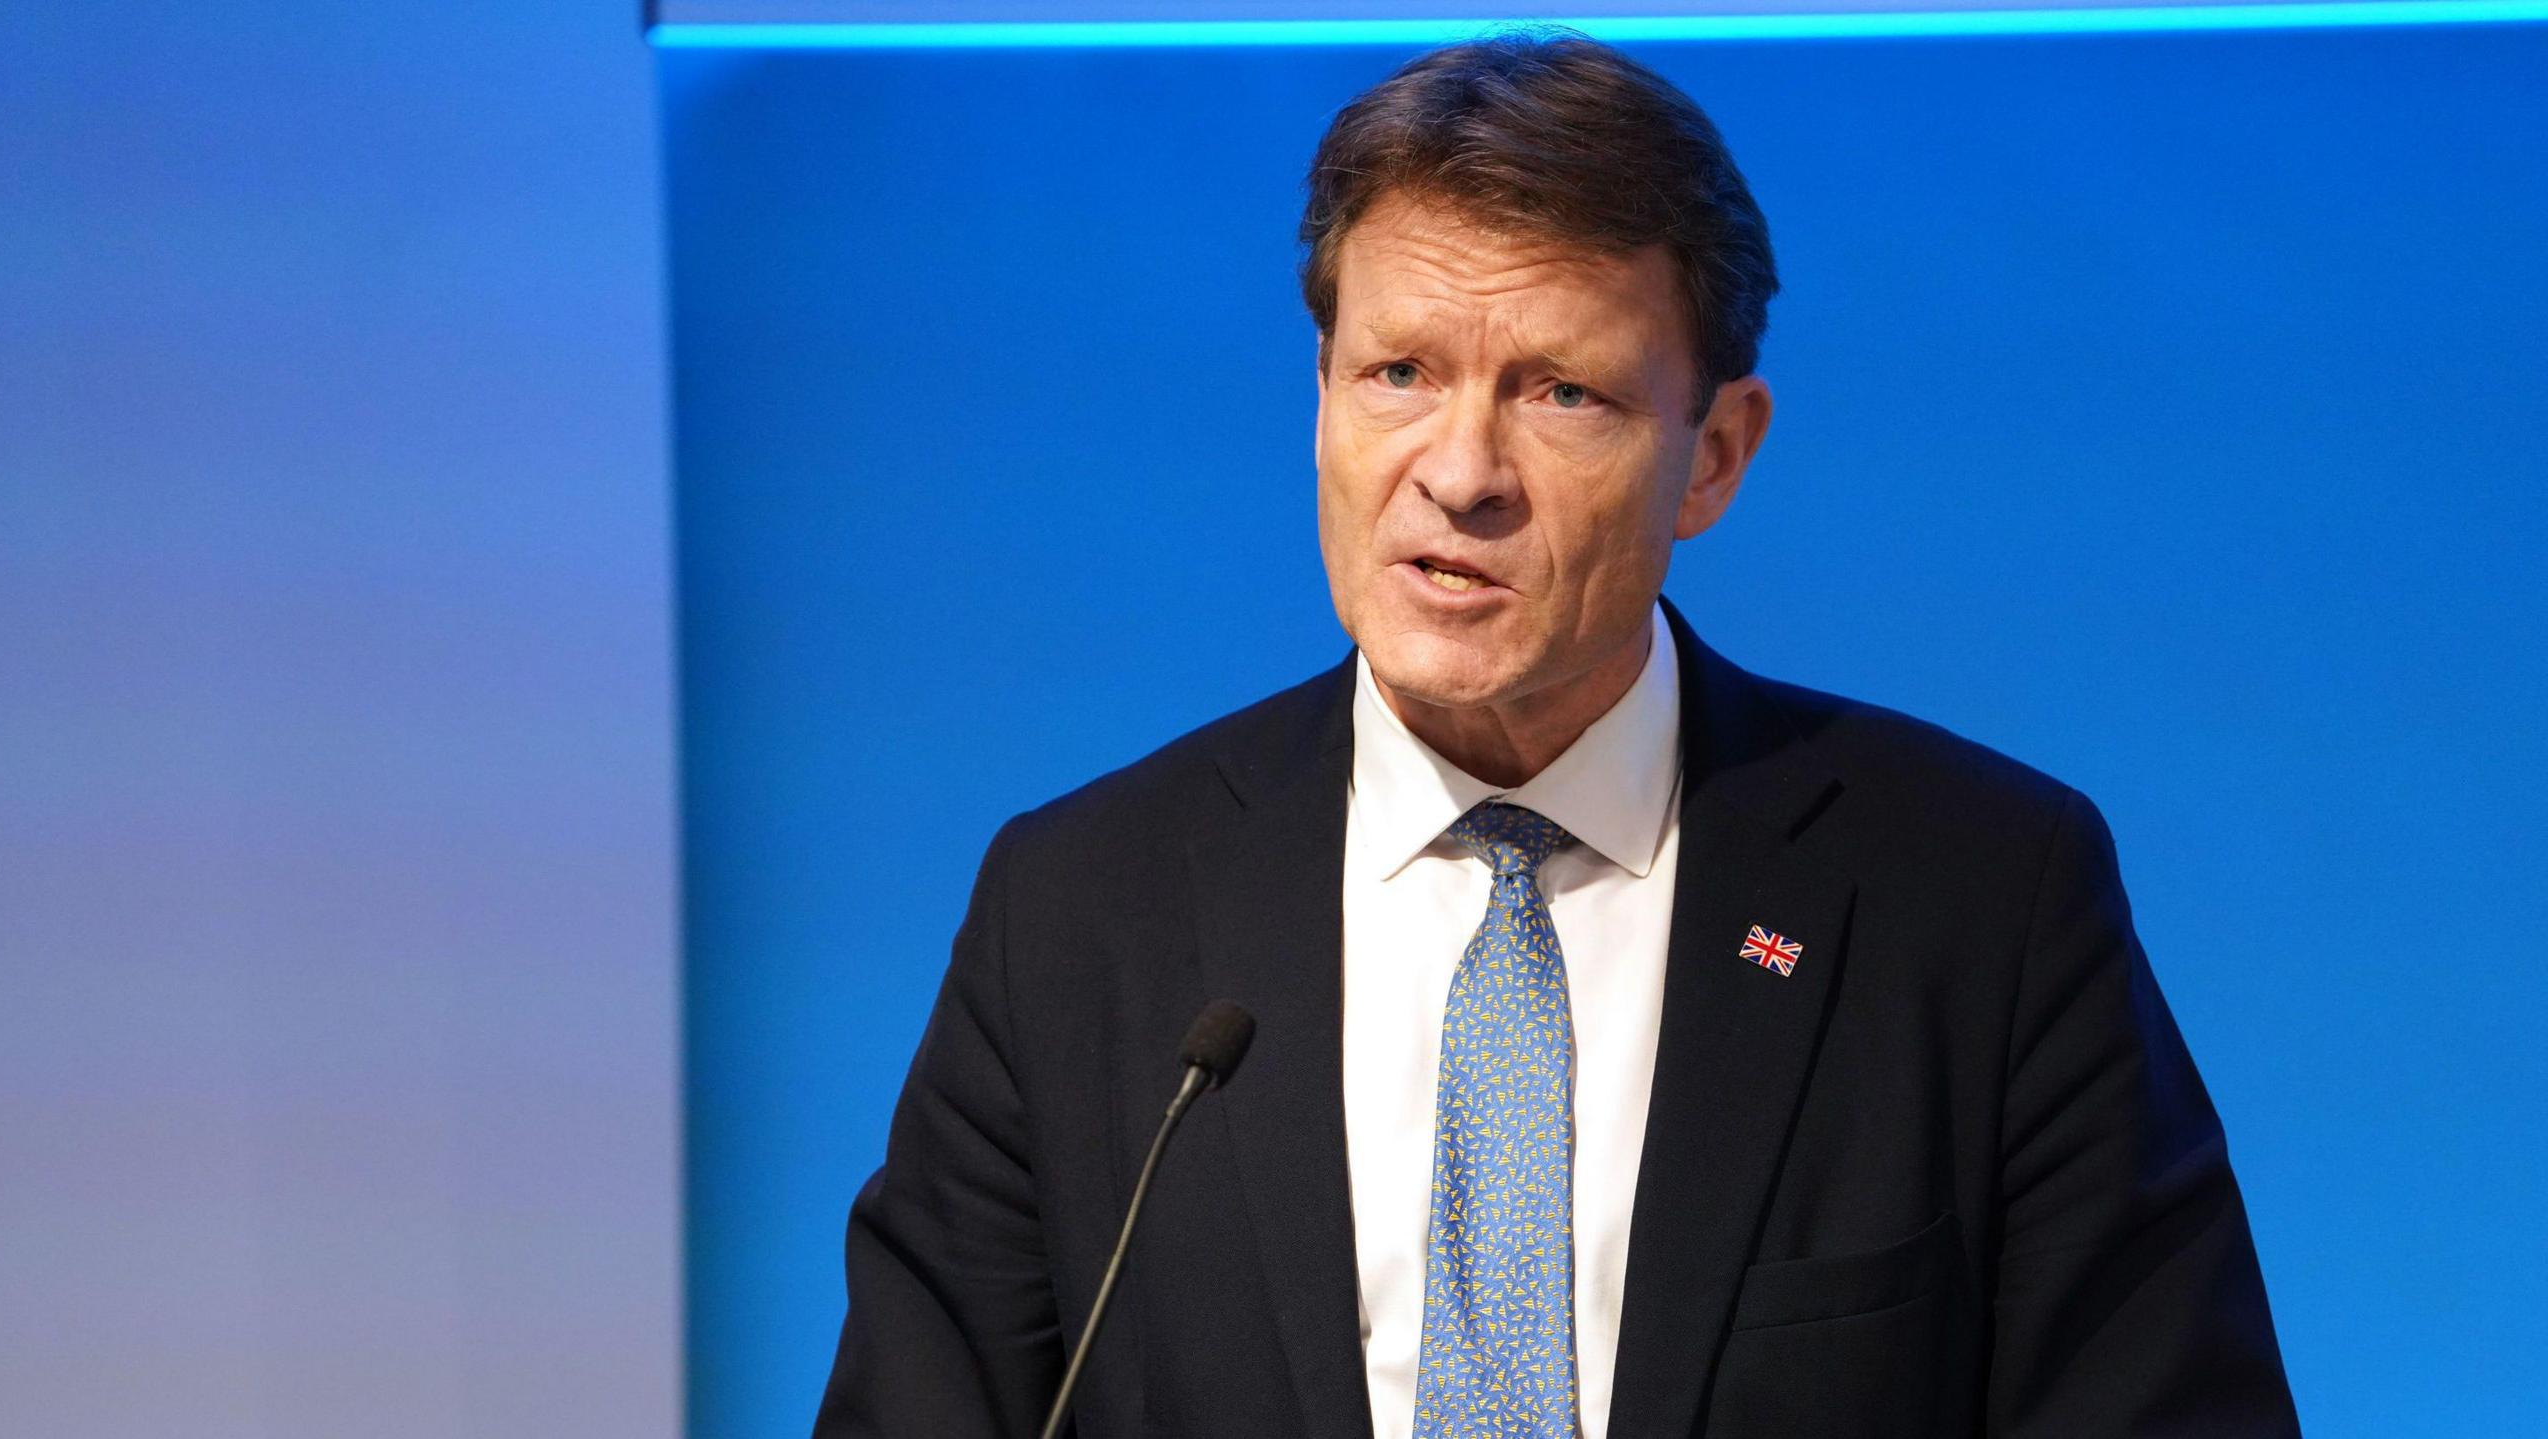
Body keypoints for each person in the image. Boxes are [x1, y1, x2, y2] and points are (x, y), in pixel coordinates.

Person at [812, 28, 2297, 1439]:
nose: (1459, 474)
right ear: (1321, 399)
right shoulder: (1081, 912)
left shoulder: (1980, 900)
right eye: (1399, 374)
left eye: (1562, 393)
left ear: (1713, 456)